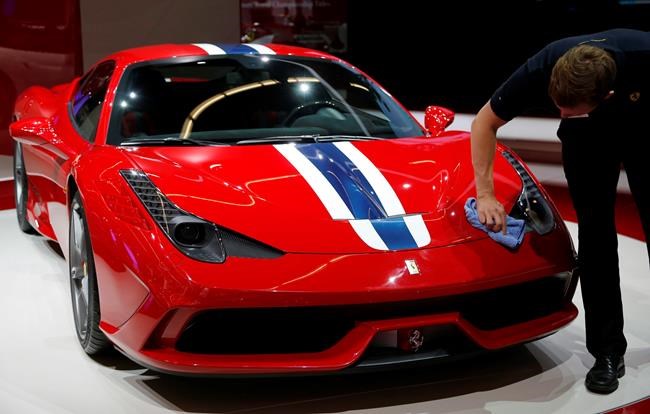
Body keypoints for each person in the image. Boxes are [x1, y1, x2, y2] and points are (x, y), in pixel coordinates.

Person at [470, 28, 650, 394]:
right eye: (557, 107)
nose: (560, 114)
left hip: (643, 123)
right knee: (596, 237)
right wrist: (485, 194)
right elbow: (484, 123)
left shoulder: (643, 54)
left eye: (568, 110)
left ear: (605, 96)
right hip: (587, 137)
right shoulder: (545, 65)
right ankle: (607, 352)